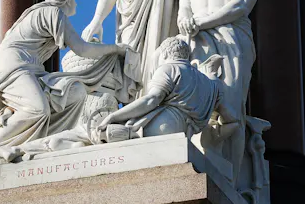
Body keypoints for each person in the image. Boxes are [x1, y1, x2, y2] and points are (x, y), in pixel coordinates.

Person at [0, 0, 126, 163]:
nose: (76, 4)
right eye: (74, 0)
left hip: (30, 70)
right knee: (37, 109)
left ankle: (43, 142)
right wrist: (115, 49)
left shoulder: (46, 14)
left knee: (75, 91)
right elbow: (82, 49)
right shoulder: (52, 12)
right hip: (14, 66)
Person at [178, 0, 264, 179]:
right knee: (193, 106)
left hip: (230, 39)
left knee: (230, 106)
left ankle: (233, 181)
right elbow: (183, 10)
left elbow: (240, 6)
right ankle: (195, 166)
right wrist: (186, 22)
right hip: (195, 42)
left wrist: (200, 22)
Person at [97, 37, 231, 141]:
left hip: (162, 128)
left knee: (100, 134)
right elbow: (230, 118)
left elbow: (151, 100)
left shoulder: (169, 68)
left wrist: (113, 116)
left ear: (165, 53)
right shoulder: (211, 84)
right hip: (185, 134)